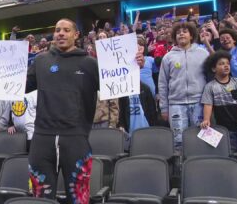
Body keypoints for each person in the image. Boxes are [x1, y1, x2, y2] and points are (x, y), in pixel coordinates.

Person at [20, 18, 144, 203]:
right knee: (40, 198)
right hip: (42, 139)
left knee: (79, 198)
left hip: (76, 139)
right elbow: (18, 86)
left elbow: (118, 84)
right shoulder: (40, 60)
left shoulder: (90, 63)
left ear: (76, 35)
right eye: (57, 29)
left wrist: (134, 66)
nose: (61, 33)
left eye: (66, 30)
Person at [158, 22, 209, 147]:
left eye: (185, 31)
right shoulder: (168, 57)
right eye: (178, 32)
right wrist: (164, 108)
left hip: (199, 103)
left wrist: (209, 104)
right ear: (175, 37)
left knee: (201, 140)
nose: (181, 34)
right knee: (178, 142)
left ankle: (200, 166)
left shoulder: (203, 53)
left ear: (191, 36)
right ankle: (181, 167)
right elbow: (163, 84)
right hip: (176, 104)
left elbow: (209, 80)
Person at [201, 51, 237, 152]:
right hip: (222, 128)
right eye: (221, 64)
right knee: (227, 153)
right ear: (213, 68)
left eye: (228, 63)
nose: (226, 66)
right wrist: (206, 119)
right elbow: (208, 105)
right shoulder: (209, 86)